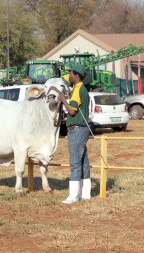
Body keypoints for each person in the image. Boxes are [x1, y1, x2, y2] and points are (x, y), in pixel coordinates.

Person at [57, 65, 91, 204]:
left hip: (76, 130)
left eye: (70, 73)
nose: (69, 76)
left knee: (75, 163)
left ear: (76, 76)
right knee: (83, 161)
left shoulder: (78, 89)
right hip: (83, 129)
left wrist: (63, 99)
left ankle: (73, 196)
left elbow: (72, 111)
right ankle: (86, 193)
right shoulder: (83, 89)